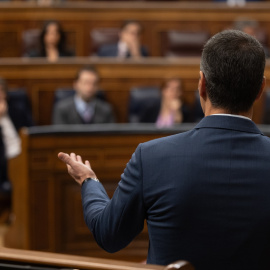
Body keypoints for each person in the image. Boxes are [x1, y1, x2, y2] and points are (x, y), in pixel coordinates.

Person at [58, 30, 270, 270]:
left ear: (201, 85)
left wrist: (89, 181)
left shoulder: (152, 156)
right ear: (260, 89)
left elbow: (109, 235)